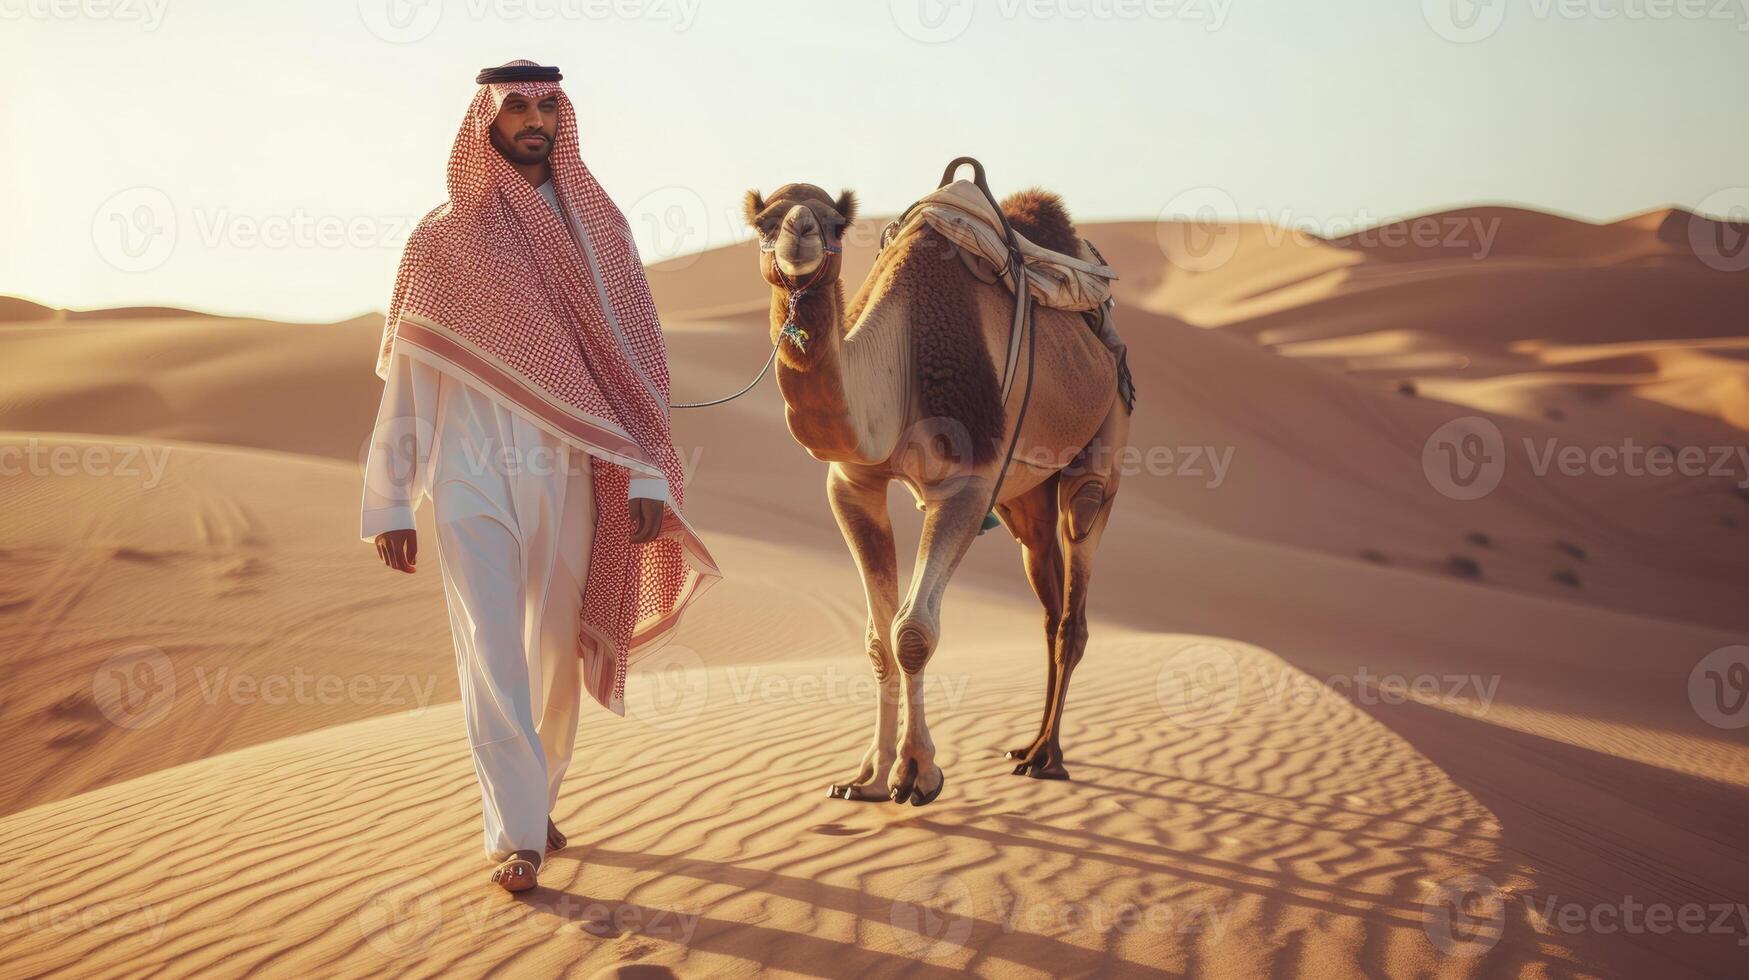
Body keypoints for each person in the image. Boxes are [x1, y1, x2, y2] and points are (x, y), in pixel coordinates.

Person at [360, 60, 719, 893]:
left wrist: (647, 478)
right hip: (467, 476)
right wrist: (388, 498)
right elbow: (413, 378)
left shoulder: (601, 234)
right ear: (485, 121)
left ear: (562, 117)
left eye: (544, 106)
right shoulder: (441, 240)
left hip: (568, 473)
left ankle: (538, 796)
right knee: (491, 650)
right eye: (514, 105)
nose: (531, 118)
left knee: (554, 650)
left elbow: (637, 367)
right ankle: (516, 832)